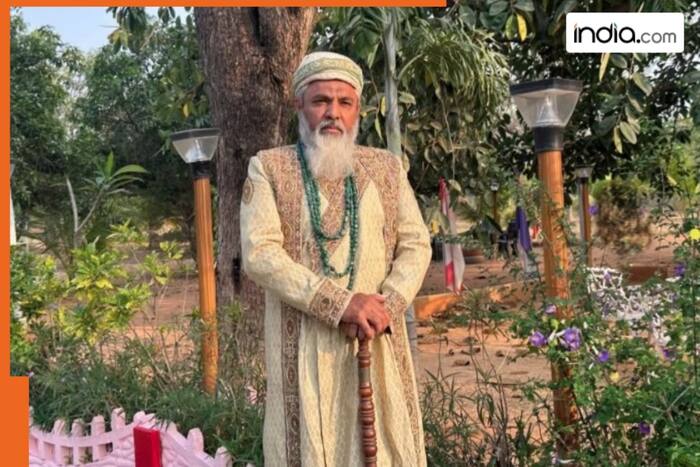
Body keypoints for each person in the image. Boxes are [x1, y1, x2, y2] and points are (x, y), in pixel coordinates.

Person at [240, 51, 431, 466]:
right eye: (321, 101)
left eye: (344, 102)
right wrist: (341, 303)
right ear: (299, 105)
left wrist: (385, 307)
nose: (333, 113)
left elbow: (417, 244)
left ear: (357, 109)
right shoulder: (268, 168)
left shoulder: (387, 168)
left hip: (377, 341)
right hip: (302, 343)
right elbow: (260, 253)